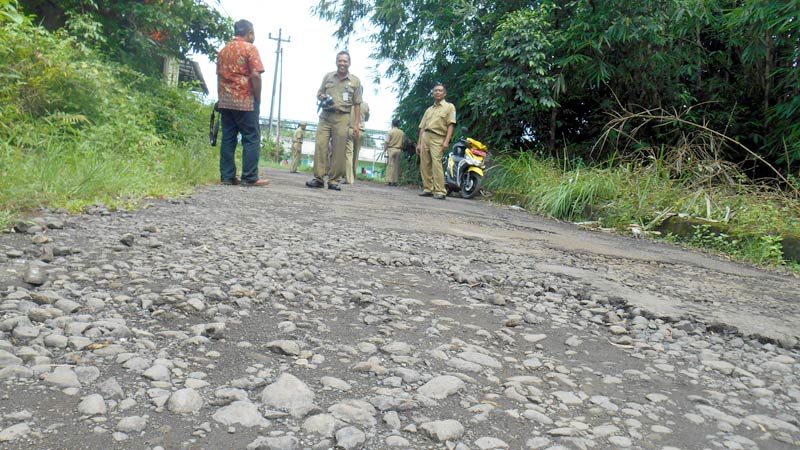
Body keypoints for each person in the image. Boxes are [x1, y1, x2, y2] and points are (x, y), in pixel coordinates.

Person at [216, 19, 269, 186]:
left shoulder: (223, 51)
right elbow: (255, 75)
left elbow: (219, 77)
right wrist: (258, 96)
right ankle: (249, 177)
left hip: (226, 101)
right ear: (249, 33)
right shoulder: (250, 48)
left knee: (228, 138)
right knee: (251, 137)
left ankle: (227, 176)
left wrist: (220, 98)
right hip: (246, 101)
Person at [306, 51, 362, 191]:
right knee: (320, 146)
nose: (342, 63)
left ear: (349, 63)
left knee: (339, 150)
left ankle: (334, 181)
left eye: (345, 61)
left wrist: (356, 125)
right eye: (340, 61)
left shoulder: (355, 81)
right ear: (336, 61)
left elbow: (357, 104)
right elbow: (319, 93)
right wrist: (322, 96)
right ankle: (318, 178)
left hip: (342, 118)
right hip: (325, 116)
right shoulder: (328, 77)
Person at [416, 82, 455, 199]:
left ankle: (440, 191)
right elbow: (422, 127)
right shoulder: (429, 110)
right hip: (426, 137)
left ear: (444, 94)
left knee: (436, 164)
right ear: (433, 93)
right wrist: (419, 143)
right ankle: (428, 188)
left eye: (440, 90)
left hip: (438, 137)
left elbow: (451, 125)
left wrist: (446, 141)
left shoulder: (449, 107)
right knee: (425, 164)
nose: (437, 92)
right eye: (435, 90)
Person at [344, 99, 369, 184]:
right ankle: (353, 176)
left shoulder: (348, 102)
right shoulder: (366, 104)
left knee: (348, 154)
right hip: (360, 130)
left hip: (350, 129)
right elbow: (367, 118)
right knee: (356, 154)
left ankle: (349, 178)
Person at [384, 119, 405, 186]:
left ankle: (389, 181)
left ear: (392, 124)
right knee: (396, 166)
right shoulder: (402, 133)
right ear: (399, 124)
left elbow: (386, 142)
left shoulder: (390, 132)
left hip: (391, 149)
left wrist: (385, 150)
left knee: (390, 165)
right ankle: (395, 181)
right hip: (399, 149)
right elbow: (403, 142)